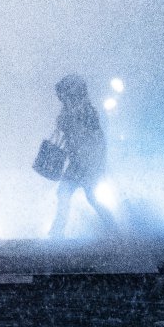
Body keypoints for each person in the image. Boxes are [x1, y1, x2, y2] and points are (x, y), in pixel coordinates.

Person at [47, 74, 120, 238]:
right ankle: (113, 230)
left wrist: (95, 162)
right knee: (73, 194)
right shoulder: (76, 109)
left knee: (77, 194)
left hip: (86, 163)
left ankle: (58, 231)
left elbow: (95, 138)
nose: (62, 98)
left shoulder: (85, 111)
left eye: (64, 94)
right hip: (80, 162)